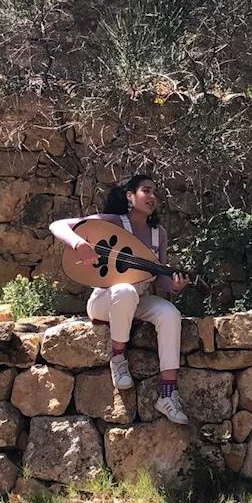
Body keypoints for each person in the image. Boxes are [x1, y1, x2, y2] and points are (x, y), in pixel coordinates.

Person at [49, 174, 190, 425]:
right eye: (146, 191)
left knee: (170, 313)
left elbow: (159, 279)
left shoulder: (159, 235)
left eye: (155, 193)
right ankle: (118, 358)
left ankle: (168, 394)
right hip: (105, 300)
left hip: (138, 300)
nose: (152, 197)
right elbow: (58, 225)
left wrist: (175, 286)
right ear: (130, 195)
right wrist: (79, 243)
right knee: (123, 290)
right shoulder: (112, 222)